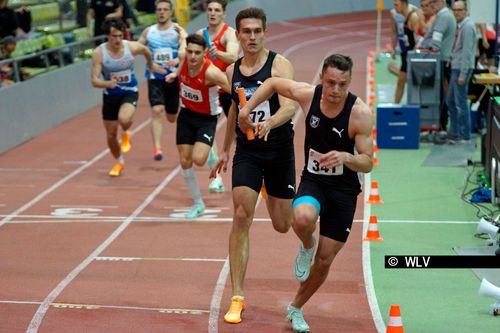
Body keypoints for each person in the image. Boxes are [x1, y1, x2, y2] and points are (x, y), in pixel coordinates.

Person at [238, 54, 373, 333]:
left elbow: (368, 162)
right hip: (314, 181)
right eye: (331, 83)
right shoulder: (308, 95)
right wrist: (247, 109)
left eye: (343, 85)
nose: (336, 90)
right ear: (322, 79)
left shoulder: (359, 113)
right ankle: (306, 245)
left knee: (325, 261)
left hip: (345, 190)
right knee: (300, 218)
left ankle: (296, 307)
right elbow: (273, 82)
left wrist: (347, 157)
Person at [210, 7, 297, 324]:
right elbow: (237, 109)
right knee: (242, 211)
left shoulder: (279, 65)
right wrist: (225, 149)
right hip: (248, 151)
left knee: (282, 224)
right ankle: (237, 297)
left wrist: (271, 122)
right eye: (245, 31)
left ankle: (306, 239)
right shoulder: (233, 71)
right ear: (237, 34)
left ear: (265, 32)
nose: (251, 37)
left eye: (257, 31)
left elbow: (290, 106)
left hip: (278, 150)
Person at [165, 33, 231, 219]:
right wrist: (174, 74)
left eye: (197, 53)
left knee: (199, 159)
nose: (192, 57)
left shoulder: (211, 72)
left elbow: (232, 88)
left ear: (205, 54)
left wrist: (245, 104)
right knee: (185, 161)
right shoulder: (184, 60)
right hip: (186, 115)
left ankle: (209, 150)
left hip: (206, 119)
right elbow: (180, 67)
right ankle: (198, 203)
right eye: (190, 52)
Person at [91, 18, 164, 177]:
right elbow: (94, 81)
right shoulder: (99, 53)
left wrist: (151, 66)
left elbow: (146, 51)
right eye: (113, 36)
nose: (117, 39)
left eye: (119, 35)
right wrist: (107, 84)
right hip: (110, 96)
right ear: (107, 37)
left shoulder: (131, 47)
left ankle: (126, 132)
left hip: (129, 91)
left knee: (124, 119)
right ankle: (119, 162)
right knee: (110, 136)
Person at [196, 0, 240, 193]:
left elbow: (233, 57)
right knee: (208, 133)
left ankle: (254, 169)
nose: (212, 13)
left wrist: (217, 53)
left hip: (226, 88)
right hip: (207, 89)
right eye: (210, 10)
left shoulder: (229, 34)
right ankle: (217, 178)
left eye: (217, 10)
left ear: (223, 13)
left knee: (239, 133)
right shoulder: (199, 35)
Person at [138, 0, 187, 161]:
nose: (161, 12)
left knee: (172, 116)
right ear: (155, 12)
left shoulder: (178, 31)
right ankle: (157, 148)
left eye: (165, 9)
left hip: (173, 77)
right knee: (156, 110)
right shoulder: (149, 31)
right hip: (155, 78)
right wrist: (149, 62)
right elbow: (137, 47)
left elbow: (185, 49)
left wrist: (178, 59)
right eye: (159, 9)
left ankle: (171, 112)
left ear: (171, 12)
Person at [419, 0, 456, 135]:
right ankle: (437, 124)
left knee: (438, 95)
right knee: (438, 94)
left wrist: (424, 49)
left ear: (441, 2)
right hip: (439, 60)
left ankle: (440, 125)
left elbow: (435, 43)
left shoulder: (444, 17)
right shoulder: (442, 16)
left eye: (434, 1)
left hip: (439, 61)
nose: (432, 5)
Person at [446, 0, 475, 144]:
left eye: (459, 10)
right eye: (454, 10)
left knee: (461, 103)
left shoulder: (468, 27)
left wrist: (463, 74)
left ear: (465, 11)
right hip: (455, 67)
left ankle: (465, 135)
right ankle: (455, 132)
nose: (456, 13)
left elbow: (467, 52)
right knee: (450, 100)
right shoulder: (461, 26)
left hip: (461, 69)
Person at [391, 0, 419, 103]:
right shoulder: (396, 14)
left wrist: (415, 54)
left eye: (396, 5)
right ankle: (395, 105)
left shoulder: (413, 16)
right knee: (401, 81)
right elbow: (394, 32)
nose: (394, 7)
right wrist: (393, 48)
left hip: (413, 55)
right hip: (405, 53)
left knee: (414, 83)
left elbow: (419, 38)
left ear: (404, 4)